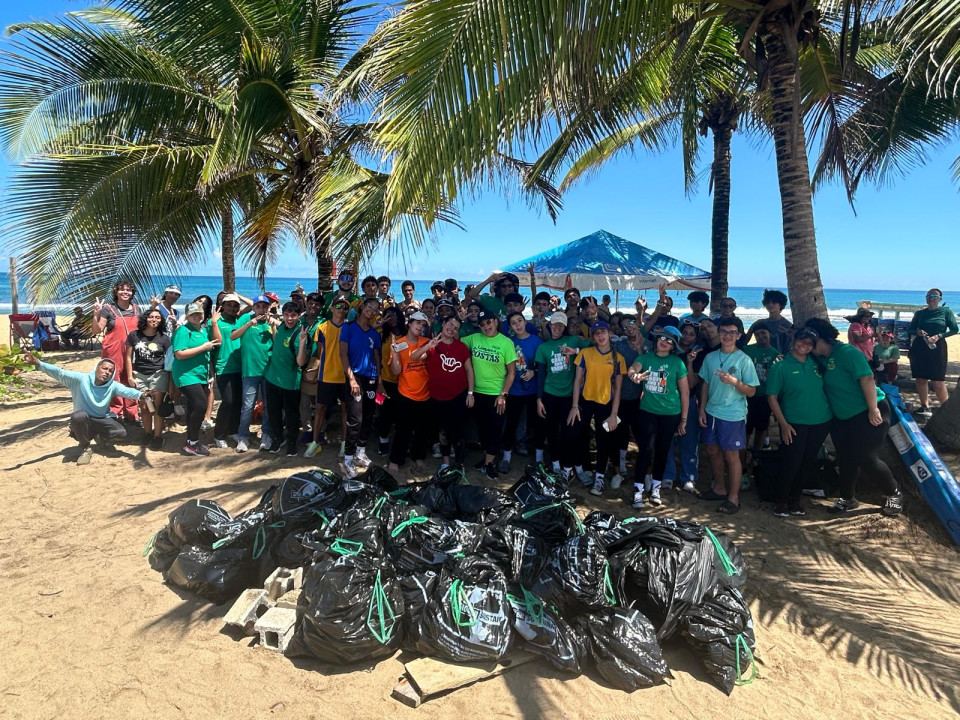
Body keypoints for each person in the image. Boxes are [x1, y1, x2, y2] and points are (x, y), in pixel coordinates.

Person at [806, 317, 901, 516]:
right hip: (842, 417)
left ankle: (893, 493)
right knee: (845, 458)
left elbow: (867, 378)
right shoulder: (820, 358)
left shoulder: (847, 352)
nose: (807, 345)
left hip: (870, 410)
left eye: (810, 341)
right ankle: (847, 498)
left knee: (867, 458)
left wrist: (872, 408)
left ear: (820, 339)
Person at [22, 349, 146, 465]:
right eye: (104, 368)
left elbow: (127, 391)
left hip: (102, 419)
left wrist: (142, 395)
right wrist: (38, 363)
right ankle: (85, 446)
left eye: (110, 371)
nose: (107, 372)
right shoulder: (80, 380)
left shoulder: (112, 386)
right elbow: (59, 373)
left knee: (121, 433)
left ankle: (101, 439)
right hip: (83, 420)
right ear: (96, 368)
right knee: (78, 416)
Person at [765, 326, 833, 517]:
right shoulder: (780, 366)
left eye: (810, 343)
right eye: (802, 340)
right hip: (794, 423)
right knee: (791, 462)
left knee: (807, 462)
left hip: (821, 421)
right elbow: (772, 397)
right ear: (794, 339)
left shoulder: (818, 363)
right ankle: (781, 501)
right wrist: (783, 424)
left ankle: (795, 500)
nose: (805, 345)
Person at [697, 318, 760, 514]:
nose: (727, 335)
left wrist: (735, 382)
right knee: (712, 450)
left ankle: (734, 497)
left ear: (739, 335)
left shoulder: (744, 360)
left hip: (733, 414)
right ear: (718, 332)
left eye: (732, 332)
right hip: (711, 411)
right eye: (723, 331)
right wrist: (702, 409)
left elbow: (751, 391)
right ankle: (719, 488)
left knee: (732, 456)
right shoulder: (710, 357)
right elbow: (705, 384)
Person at [626, 326, 689, 508]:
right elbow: (633, 368)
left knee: (662, 452)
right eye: (662, 338)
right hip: (647, 412)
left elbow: (685, 393)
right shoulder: (646, 358)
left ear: (673, 346)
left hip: (670, 414)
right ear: (657, 339)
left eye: (670, 341)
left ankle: (656, 488)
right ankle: (638, 491)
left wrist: (683, 420)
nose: (665, 342)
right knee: (645, 451)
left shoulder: (677, 363)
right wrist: (634, 376)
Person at [569, 320, 626, 497]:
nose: (600, 336)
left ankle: (599, 477)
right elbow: (578, 380)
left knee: (604, 440)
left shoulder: (618, 358)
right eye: (596, 333)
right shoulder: (585, 353)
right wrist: (574, 406)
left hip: (605, 404)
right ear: (593, 336)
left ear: (609, 334)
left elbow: (618, 389)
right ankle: (583, 468)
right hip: (585, 400)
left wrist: (614, 414)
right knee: (579, 434)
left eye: (603, 332)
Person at [535, 312, 592, 481]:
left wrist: (575, 351)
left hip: (570, 396)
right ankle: (555, 464)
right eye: (555, 324)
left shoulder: (573, 340)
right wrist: (539, 399)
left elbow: (595, 346)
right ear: (550, 325)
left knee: (571, 432)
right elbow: (541, 375)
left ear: (565, 327)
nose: (557, 327)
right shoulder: (543, 348)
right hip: (550, 394)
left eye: (561, 325)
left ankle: (573, 466)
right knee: (551, 431)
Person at [463, 309, 517, 480]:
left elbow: (512, 373)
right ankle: (487, 458)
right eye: (482, 324)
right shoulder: (474, 338)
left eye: (488, 322)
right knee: (482, 429)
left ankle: (489, 464)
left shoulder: (506, 342)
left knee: (495, 429)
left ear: (495, 321)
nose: (486, 326)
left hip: (496, 394)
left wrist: (503, 394)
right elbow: (454, 339)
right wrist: (460, 320)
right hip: (477, 392)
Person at [420, 314, 474, 468]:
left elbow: (469, 370)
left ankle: (459, 464)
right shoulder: (432, 344)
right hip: (437, 396)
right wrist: (429, 345)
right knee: (442, 431)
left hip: (458, 395)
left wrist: (470, 393)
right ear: (443, 324)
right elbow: (417, 357)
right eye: (450, 324)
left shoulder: (461, 347)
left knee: (459, 432)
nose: (452, 329)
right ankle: (445, 463)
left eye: (456, 328)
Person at [339, 297, 384, 478]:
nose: (371, 311)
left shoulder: (374, 334)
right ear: (362, 307)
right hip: (355, 377)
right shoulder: (348, 328)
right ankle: (348, 458)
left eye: (376, 309)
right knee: (355, 419)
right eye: (369, 306)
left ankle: (360, 453)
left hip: (371, 378)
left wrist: (380, 382)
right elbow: (343, 354)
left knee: (368, 417)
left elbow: (377, 359)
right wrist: (351, 379)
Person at [387, 312, 433, 473]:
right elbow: (395, 371)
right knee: (403, 429)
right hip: (406, 393)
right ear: (409, 323)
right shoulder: (399, 344)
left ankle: (418, 456)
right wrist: (394, 353)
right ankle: (395, 459)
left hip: (425, 393)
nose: (420, 327)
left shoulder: (426, 342)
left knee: (422, 430)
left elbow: (427, 358)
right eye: (418, 323)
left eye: (423, 325)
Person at [171, 302, 220, 456]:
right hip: (186, 374)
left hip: (201, 374)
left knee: (193, 407)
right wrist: (203, 347)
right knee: (200, 405)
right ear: (187, 316)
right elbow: (179, 354)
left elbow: (217, 343)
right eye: (193, 314)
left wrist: (209, 374)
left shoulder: (203, 330)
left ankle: (191, 441)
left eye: (199, 313)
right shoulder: (184, 331)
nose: (197, 316)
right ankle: (192, 443)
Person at [307, 294, 350, 457]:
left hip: (345, 376)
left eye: (345, 307)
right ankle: (315, 442)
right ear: (331, 308)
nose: (341, 309)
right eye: (338, 306)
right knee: (320, 408)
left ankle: (344, 443)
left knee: (346, 409)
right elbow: (320, 352)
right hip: (326, 375)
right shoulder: (322, 327)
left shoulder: (350, 327)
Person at [264, 302, 311, 456]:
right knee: (274, 412)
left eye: (293, 315)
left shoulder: (299, 333)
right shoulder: (281, 327)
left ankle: (292, 442)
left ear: (299, 316)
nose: (290, 318)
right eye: (287, 315)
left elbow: (300, 362)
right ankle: (278, 438)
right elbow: (274, 326)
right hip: (272, 378)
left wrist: (302, 342)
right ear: (282, 315)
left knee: (291, 415)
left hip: (290, 382)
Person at [500, 311, 544, 472]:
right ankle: (506, 457)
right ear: (510, 326)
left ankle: (539, 459)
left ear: (525, 322)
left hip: (533, 391)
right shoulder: (508, 342)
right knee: (511, 424)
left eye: (520, 321)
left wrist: (534, 372)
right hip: (514, 390)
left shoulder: (537, 341)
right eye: (513, 323)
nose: (517, 325)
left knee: (538, 425)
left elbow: (544, 365)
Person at [91, 280, 141, 422]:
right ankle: (116, 413)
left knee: (131, 379)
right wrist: (96, 313)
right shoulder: (108, 309)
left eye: (128, 290)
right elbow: (97, 330)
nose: (125, 292)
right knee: (114, 380)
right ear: (116, 292)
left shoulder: (137, 309)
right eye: (122, 289)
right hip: (113, 350)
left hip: (132, 350)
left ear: (132, 293)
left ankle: (132, 414)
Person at [231, 295, 275, 453]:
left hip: (268, 371)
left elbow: (278, 342)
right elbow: (233, 336)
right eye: (258, 306)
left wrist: (273, 326)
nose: (261, 309)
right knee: (248, 406)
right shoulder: (245, 319)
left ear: (268, 308)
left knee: (268, 405)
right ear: (253, 307)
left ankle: (266, 435)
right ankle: (243, 436)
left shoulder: (271, 322)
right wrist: (250, 324)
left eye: (264, 306)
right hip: (250, 371)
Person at [124, 308, 171, 450]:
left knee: (157, 407)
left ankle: (158, 436)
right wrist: (130, 376)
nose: (154, 320)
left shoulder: (164, 338)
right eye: (151, 317)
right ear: (145, 318)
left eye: (157, 317)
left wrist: (170, 381)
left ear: (161, 321)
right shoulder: (134, 335)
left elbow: (170, 359)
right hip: (139, 374)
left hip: (158, 374)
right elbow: (128, 357)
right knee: (144, 407)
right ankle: (148, 433)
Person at [908, 288, 958, 416]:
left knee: (938, 380)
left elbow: (954, 329)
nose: (931, 298)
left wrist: (939, 336)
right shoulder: (920, 314)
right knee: (920, 378)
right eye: (929, 296)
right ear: (926, 298)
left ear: (940, 299)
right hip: (920, 347)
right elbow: (910, 330)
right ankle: (925, 407)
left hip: (937, 347)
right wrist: (918, 332)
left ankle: (946, 411)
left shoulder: (946, 312)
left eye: (935, 296)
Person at [612, 314, 646, 483]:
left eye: (631, 323)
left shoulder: (650, 344)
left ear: (638, 323)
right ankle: (621, 462)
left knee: (641, 433)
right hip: (623, 395)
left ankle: (645, 469)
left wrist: (640, 350)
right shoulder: (619, 345)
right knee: (621, 430)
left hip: (644, 399)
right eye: (624, 326)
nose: (628, 328)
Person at [210, 294, 245, 448]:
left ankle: (232, 430)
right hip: (223, 366)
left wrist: (239, 296)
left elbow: (252, 306)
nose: (232, 308)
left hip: (240, 366)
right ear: (222, 306)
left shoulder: (239, 320)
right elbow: (215, 343)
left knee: (237, 401)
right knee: (228, 401)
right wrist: (213, 322)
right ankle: (219, 434)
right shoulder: (215, 322)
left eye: (235, 305)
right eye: (228, 305)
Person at [743, 327, 781, 458]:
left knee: (761, 428)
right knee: (746, 428)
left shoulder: (775, 354)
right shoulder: (747, 350)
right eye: (757, 334)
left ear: (770, 334)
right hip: (748, 395)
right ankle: (742, 454)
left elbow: (779, 381)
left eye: (763, 333)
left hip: (765, 396)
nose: (760, 336)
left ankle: (756, 455)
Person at [374, 306, 405, 455]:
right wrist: (379, 383)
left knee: (401, 414)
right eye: (388, 315)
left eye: (394, 315)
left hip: (403, 383)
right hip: (383, 381)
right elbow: (376, 360)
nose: (392, 318)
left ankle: (400, 443)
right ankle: (383, 442)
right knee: (383, 413)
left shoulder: (407, 334)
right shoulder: (381, 335)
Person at [297, 292, 326, 443]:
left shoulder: (324, 323)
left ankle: (320, 430)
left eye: (317, 304)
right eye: (310, 303)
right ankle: (307, 430)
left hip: (318, 365)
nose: (313, 306)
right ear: (306, 304)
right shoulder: (299, 321)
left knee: (320, 402)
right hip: (301, 364)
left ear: (321, 307)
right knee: (304, 403)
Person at [744, 289, 793, 354]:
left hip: (780, 358)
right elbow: (745, 342)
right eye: (768, 302)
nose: (770, 304)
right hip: (760, 357)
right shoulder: (759, 323)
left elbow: (790, 347)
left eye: (774, 302)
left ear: (781, 304)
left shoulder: (787, 325)